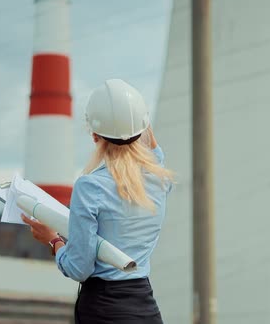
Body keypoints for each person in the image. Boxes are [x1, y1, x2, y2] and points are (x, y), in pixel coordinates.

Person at [21, 79, 174, 323]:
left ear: (94, 135)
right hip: (145, 307)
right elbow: (155, 151)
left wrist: (53, 240)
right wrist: (133, 118)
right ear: (143, 127)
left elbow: (79, 268)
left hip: (103, 311)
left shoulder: (90, 187)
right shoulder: (160, 180)